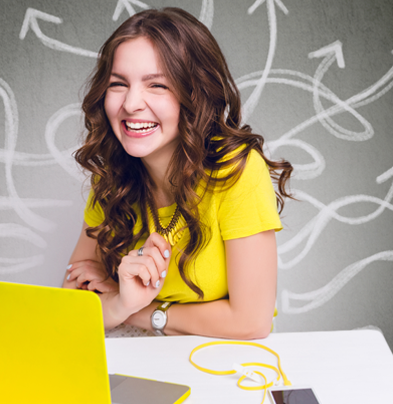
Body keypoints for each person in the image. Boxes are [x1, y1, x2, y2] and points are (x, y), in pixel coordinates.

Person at [62, 7, 292, 339]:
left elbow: (251, 322)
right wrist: (120, 304)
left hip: (218, 362)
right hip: (133, 360)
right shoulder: (110, 176)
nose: (131, 104)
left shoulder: (237, 170)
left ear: (195, 94)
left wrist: (140, 311)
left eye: (157, 85)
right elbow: (71, 308)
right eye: (117, 84)